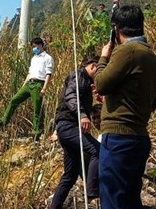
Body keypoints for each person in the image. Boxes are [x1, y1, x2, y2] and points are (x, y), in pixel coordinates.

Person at [94, 5, 156, 209]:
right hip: (138, 138)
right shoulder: (152, 58)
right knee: (130, 201)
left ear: (116, 30)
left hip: (118, 139)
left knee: (113, 201)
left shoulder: (127, 51)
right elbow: (152, 104)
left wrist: (103, 57)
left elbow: (101, 83)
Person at [50, 56, 100, 209]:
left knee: (70, 175)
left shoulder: (86, 82)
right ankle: (92, 191)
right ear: (93, 66)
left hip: (67, 128)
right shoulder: (78, 76)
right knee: (97, 150)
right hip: (69, 126)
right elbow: (71, 96)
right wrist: (83, 115)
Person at [0, 37, 53, 139]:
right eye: (32, 47)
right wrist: (23, 86)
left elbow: (48, 74)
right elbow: (29, 73)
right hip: (29, 83)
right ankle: (3, 122)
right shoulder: (33, 58)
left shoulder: (48, 58)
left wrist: (44, 88)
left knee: (37, 108)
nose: (33, 49)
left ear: (40, 45)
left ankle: (37, 132)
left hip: (38, 83)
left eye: (34, 46)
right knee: (14, 100)